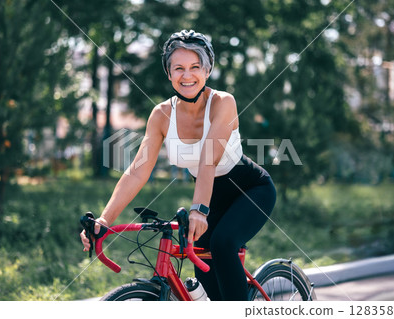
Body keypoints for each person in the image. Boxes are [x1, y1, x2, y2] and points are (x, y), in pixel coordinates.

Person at [80, 30, 276, 301]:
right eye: (179, 68)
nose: (187, 75)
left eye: (195, 67)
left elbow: (208, 159)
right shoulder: (161, 115)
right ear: (169, 73)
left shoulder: (223, 103)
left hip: (250, 190)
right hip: (210, 197)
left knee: (222, 243)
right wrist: (104, 220)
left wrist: (198, 210)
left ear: (207, 71)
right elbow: (137, 170)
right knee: (207, 275)